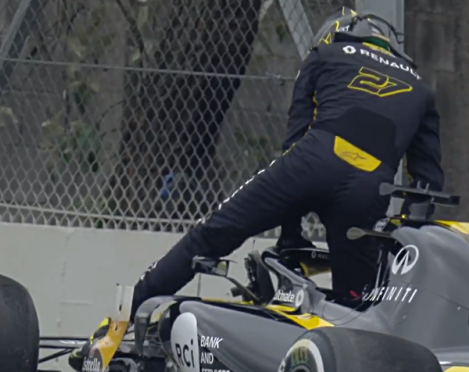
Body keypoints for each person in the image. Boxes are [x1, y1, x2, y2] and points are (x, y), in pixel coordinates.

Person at [69, 7, 444, 370]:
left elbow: (294, 139)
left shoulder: (324, 53)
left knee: (210, 234)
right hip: (369, 188)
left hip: (311, 162)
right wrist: (396, 242)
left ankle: (114, 329)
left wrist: (289, 240)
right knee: (357, 306)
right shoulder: (421, 89)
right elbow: (427, 187)